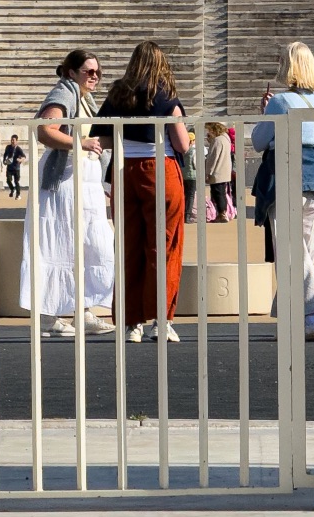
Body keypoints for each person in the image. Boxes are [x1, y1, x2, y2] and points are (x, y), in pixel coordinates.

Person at [98, 41, 190, 343]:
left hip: (124, 169)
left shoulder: (118, 93)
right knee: (164, 245)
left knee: (128, 245)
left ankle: (131, 322)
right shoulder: (165, 95)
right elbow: (182, 145)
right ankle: (161, 320)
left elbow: (103, 139)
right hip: (160, 167)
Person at [20, 50, 115, 338]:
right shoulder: (64, 93)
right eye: (89, 71)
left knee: (90, 244)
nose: (95, 76)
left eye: (98, 71)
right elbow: (44, 131)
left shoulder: (85, 99)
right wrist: (80, 143)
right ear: (71, 72)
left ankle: (81, 312)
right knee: (58, 244)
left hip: (85, 180)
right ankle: (48, 317)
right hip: (64, 180)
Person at [251, 41, 314, 341]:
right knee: (304, 250)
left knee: (291, 252)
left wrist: (265, 113)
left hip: (286, 176)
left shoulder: (280, 102)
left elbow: (258, 141)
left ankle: (309, 314)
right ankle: (297, 317)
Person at [205, 123, 232, 221]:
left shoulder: (217, 140)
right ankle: (223, 212)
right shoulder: (226, 138)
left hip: (217, 171)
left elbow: (212, 158)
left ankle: (222, 213)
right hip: (224, 169)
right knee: (221, 193)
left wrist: (208, 172)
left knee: (217, 193)